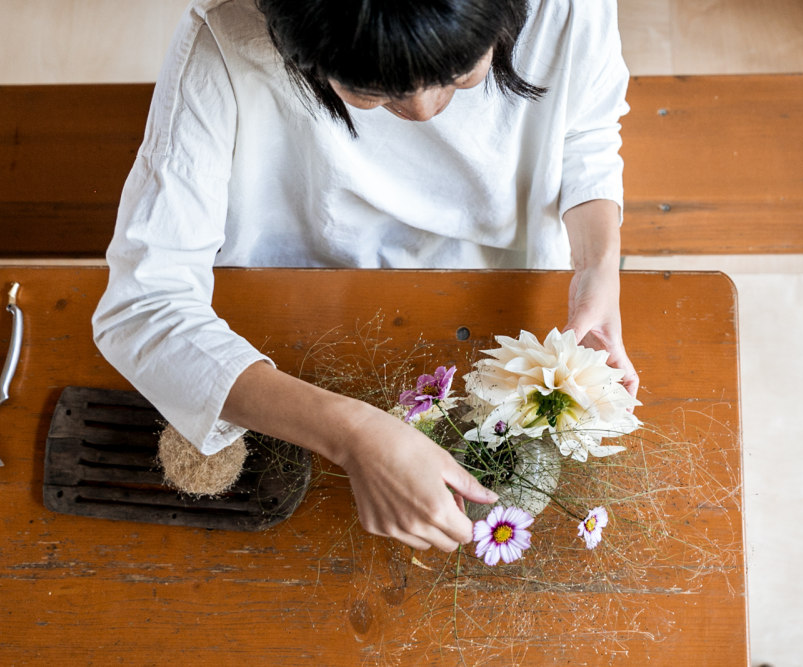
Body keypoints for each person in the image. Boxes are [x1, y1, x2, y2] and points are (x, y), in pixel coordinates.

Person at [93, 0, 639, 553]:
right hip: (296, 322)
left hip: (499, 300)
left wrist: (596, 267)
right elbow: (142, 309)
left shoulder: (569, 9)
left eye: (459, 72)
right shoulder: (224, 37)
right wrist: (351, 435)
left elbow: (585, 134)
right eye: (374, 93)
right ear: (294, 45)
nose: (425, 110)